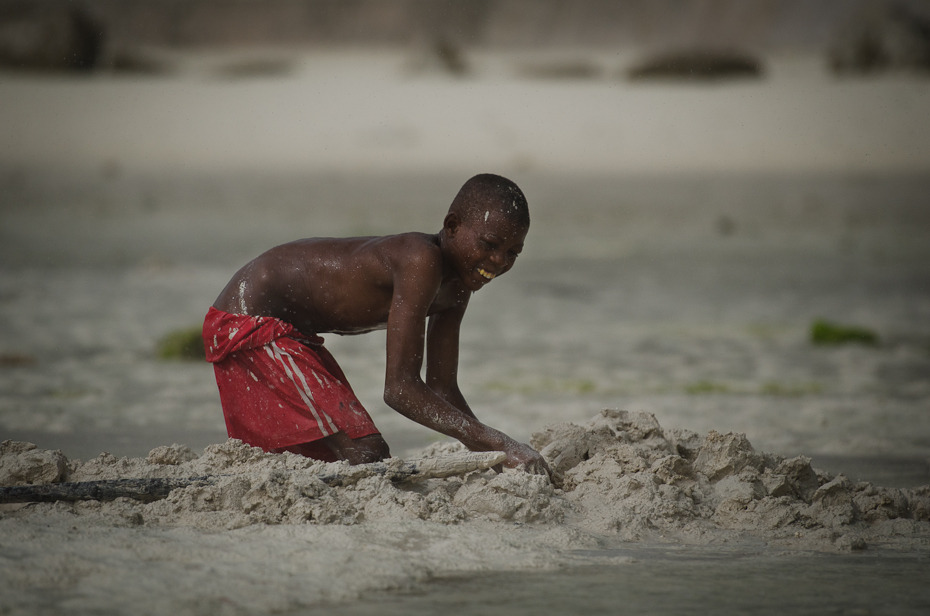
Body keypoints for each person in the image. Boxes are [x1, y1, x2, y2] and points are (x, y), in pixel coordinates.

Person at [203, 173, 550, 476]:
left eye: (512, 253)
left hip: (290, 332)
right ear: (452, 225)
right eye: (489, 245)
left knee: (339, 454)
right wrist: (503, 444)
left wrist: (494, 457)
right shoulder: (421, 260)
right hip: (248, 319)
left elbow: (442, 388)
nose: (498, 261)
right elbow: (400, 390)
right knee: (365, 454)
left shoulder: (459, 285)